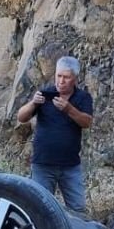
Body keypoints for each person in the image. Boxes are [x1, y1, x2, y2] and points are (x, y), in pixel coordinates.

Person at [16, 56, 94, 214]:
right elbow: (21, 117)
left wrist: (68, 109)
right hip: (43, 163)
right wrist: (33, 103)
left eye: (66, 77)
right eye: (59, 76)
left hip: (70, 166)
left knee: (78, 209)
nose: (61, 81)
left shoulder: (83, 97)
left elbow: (86, 122)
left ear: (75, 79)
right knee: (41, 208)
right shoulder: (45, 94)